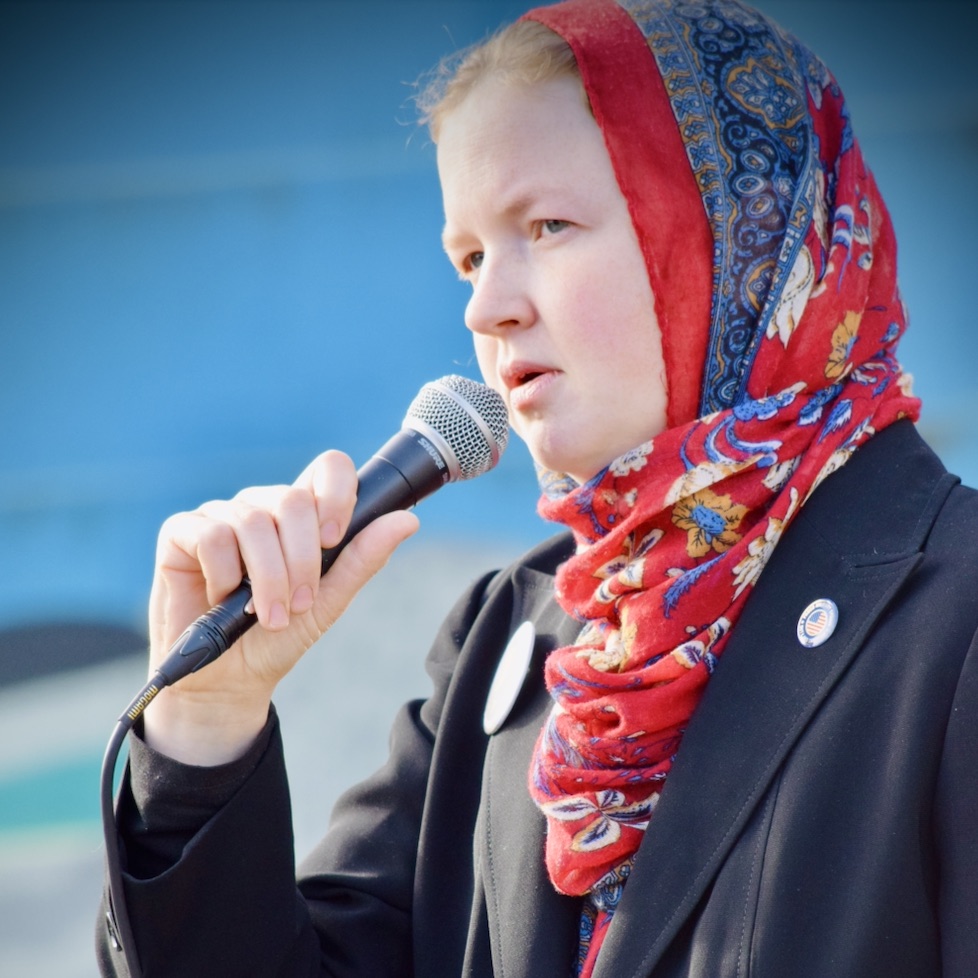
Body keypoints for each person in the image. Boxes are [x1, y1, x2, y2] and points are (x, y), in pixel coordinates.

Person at [97, 0, 978, 975]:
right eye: (469, 257)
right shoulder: (510, 642)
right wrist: (205, 728)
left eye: (548, 226)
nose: (486, 305)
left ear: (744, 231)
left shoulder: (952, 619)